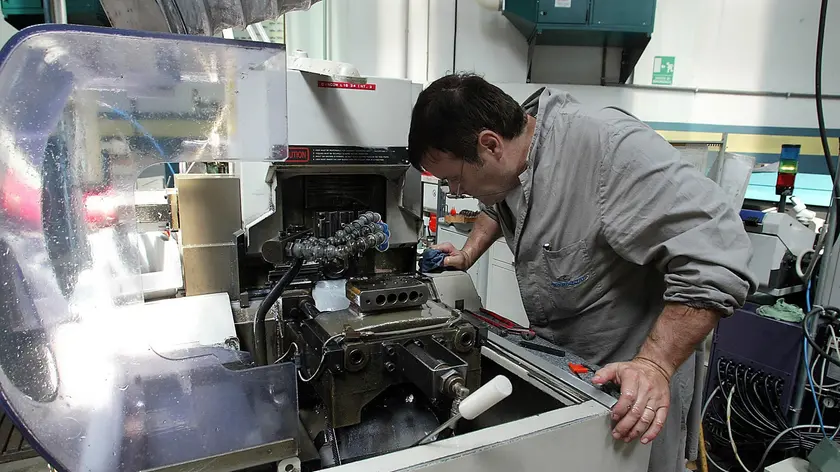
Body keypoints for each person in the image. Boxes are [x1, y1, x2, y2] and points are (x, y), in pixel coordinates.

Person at [408, 73, 757, 472]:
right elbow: (495, 200)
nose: (455, 192)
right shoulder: (515, 154)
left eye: (455, 179)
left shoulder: (608, 152)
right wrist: (469, 252)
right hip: (568, 369)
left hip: (636, 388)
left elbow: (718, 252)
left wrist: (655, 365)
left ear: (490, 144)